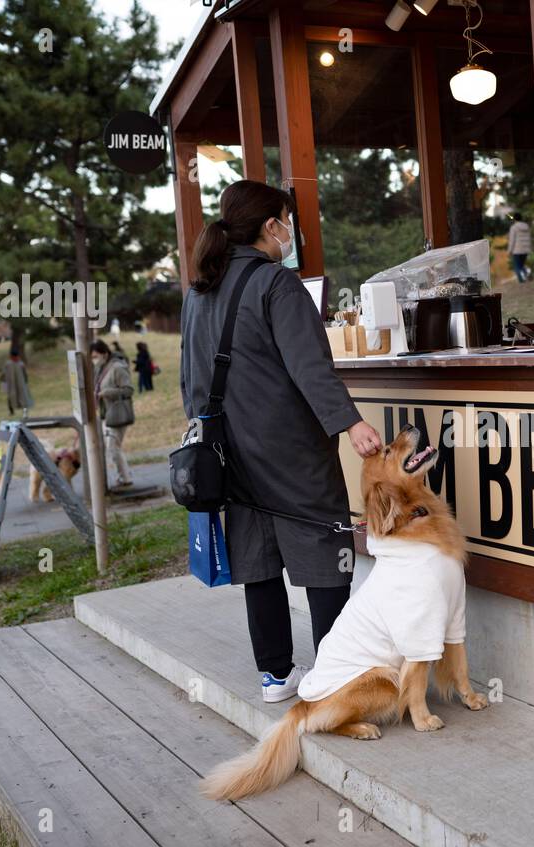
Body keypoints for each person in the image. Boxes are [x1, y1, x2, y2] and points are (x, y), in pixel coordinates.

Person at [180, 179, 383, 703]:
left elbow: (190, 378)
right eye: (287, 219)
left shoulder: (200, 291)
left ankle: (275, 676)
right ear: (271, 225)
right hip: (290, 451)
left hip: (228, 453)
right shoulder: (277, 283)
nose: (290, 230)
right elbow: (311, 368)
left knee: (258, 563)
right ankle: (336, 674)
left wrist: (211, 437)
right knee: (322, 551)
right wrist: (349, 423)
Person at [90, 339, 135, 489]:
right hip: (106, 414)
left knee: (113, 447)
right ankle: (123, 477)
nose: (94, 359)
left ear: (104, 353)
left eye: (95, 355)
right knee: (113, 447)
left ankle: (125, 478)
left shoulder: (117, 367)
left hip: (118, 413)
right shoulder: (100, 368)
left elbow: (129, 390)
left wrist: (108, 393)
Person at [1, 347, 33, 417]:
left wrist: (25, 382)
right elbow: (3, 375)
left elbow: (25, 374)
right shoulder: (8, 364)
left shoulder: (21, 364)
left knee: (23, 397)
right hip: (11, 384)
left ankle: (25, 412)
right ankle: (11, 411)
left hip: (21, 384)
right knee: (11, 397)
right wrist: (4, 384)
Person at [507, 211, 532, 282]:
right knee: (521, 265)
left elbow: (512, 240)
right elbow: (529, 238)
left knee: (517, 267)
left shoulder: (514, 228)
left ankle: (521, 281)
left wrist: (509, 251)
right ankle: (527, 274)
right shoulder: (526, 226)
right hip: (525, 250)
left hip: (517, 250)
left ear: (514, 219)